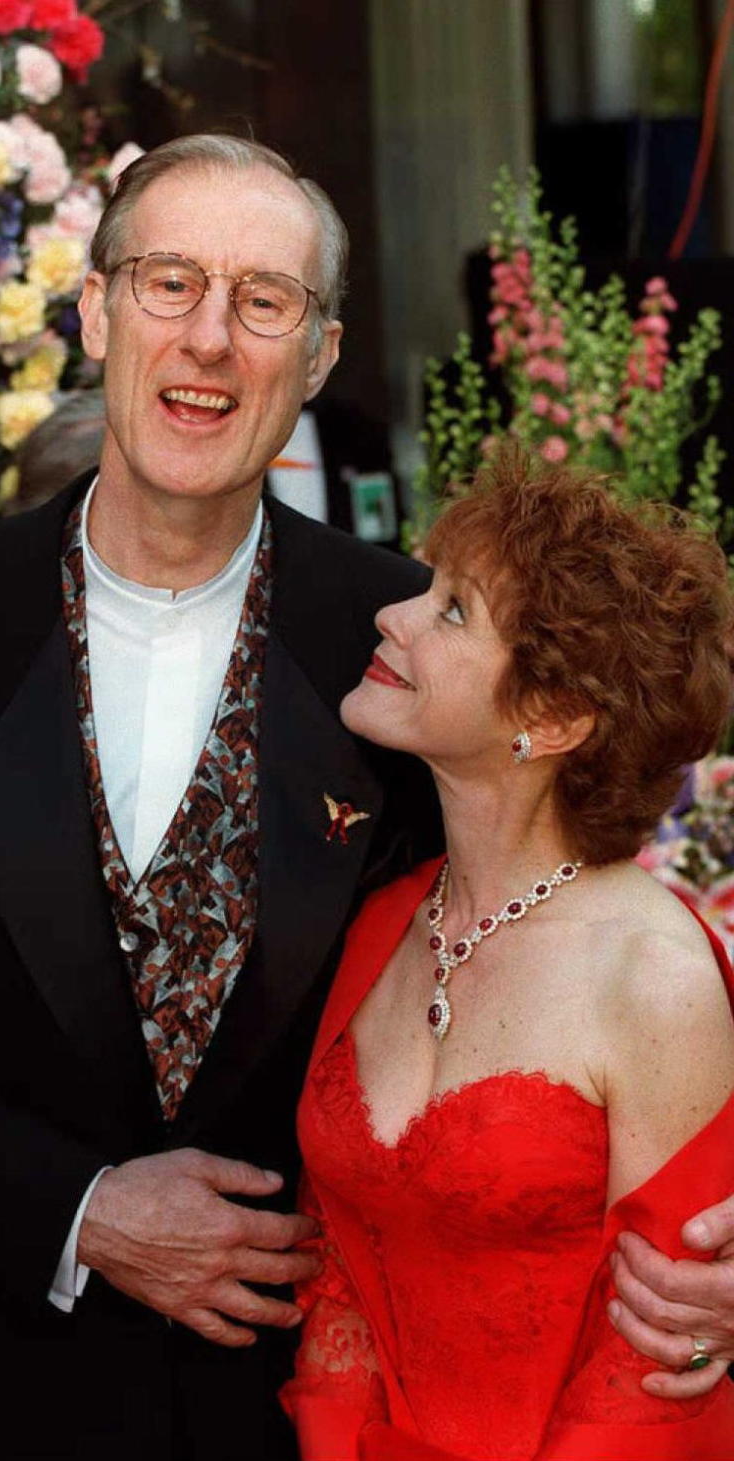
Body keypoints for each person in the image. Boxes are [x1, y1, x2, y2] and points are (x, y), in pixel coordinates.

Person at [0, 136, 443, 1460]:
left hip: (305, 1414)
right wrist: (72, 1209)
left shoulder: (411, 647)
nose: (207, 339)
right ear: (93, 311)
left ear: (316, 357)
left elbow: (524, 962)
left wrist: (684, 1243)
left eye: (263, 301)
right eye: (167, 282)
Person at [281, 448, 734, 1460]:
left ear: (552, 718)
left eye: (451, 611)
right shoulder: (378, 923)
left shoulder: (651, 974)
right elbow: (340, 1282)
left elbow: (654, 1363)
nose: (394, 615)